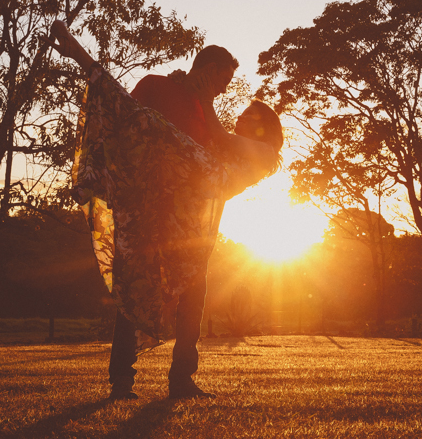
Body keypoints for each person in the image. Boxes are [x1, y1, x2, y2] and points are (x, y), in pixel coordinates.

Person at [49, 20, 283, 400]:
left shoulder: (211, 122)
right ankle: (121, 381)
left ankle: (181, 380)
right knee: (134, 289)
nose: (224, 92)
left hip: (189, 231)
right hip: (148, 214)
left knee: (193, 297)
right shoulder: (158, 87)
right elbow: (129, 121)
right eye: (222, 82)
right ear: (208, 72)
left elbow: (208, 162)